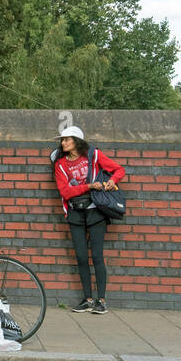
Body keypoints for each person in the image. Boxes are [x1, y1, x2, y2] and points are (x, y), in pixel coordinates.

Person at [52, 125, 126, 315]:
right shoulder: (60, 164)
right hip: (75, 213)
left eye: (67, 139)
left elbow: (119, 170)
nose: (64, 142)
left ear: (77, 141)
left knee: (97, 256)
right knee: (81, 257)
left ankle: (101, 301)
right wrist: (88, 186)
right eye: (62, 140)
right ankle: (87, 299)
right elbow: (65, 192)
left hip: (95, 212)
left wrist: (112, 181)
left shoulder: (93, 155)